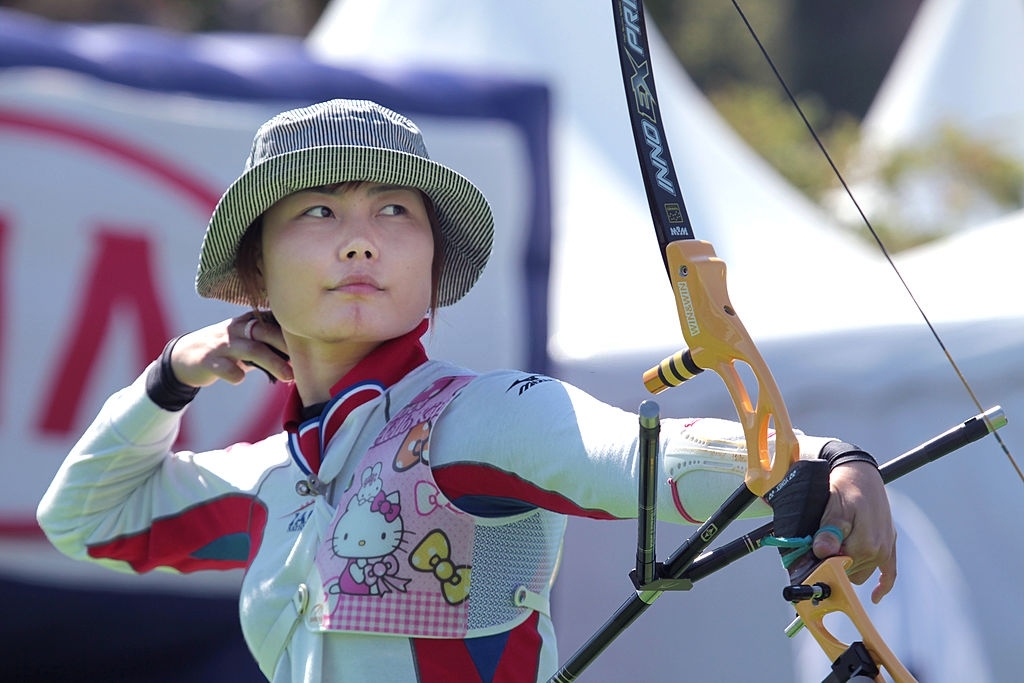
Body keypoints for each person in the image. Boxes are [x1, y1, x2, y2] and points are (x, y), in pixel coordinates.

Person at [37, 99, 896, 683]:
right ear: (257, 272)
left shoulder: (478, 418)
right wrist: (170, 376)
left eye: (394, 211)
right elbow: (82, 517)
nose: (361, 241)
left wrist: (821, 463)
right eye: (319, 212)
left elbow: (629, 455)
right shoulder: (270, 478)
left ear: (432, 265)